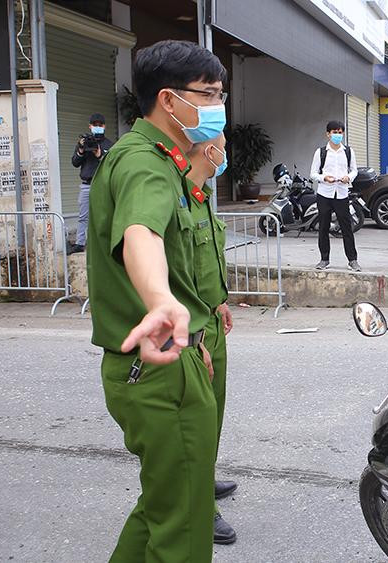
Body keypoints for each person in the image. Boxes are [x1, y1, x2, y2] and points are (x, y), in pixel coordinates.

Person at [86, 39, 226, 561]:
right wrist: (161, 301)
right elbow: (140, 232)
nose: (217, 106)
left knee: (165, 506)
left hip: (173, 357)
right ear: (169, 100)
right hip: (158, 367)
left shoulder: (168, 161)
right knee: (184, 527)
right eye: (209, 94)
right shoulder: (143, 163)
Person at [183, 135, 239, 545]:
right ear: (207, 152)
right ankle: (200, 508)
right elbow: (173, 275)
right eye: (222, 146)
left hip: (212, 322)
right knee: (194, 427)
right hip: (192, 332)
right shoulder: (178, 198)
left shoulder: (202, 197)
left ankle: (205, 477)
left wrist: (219, 302)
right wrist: (190, 337)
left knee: (213, 416)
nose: (225, 155)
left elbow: (204, 262)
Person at [311, 121, 360, 272]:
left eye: (340, 132)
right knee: (323, 227)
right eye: (334, 132)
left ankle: (352, 260)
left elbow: (354, 170)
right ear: (328, 134)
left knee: (346, 227)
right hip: (325, 193)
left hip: (342, 193)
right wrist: (324, 178)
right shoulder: (321, 152)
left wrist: (348, 177)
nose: (337, 135)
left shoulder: (348, 151)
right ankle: (324, 259)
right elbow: (313, 173)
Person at [69, 113, 114, 254]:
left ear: (104, 126)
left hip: (102, 185)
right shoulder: (84, 142)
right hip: (86, 185)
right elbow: (75, 162)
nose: (97, 127)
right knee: (83, 216)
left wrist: (100, 155)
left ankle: (104, 243)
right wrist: (81, 150)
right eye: (95, 125)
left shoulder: (109, 145)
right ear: (90, 126)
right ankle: (80, 243)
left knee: (103, 215)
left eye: (100, 125)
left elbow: (112, 165)